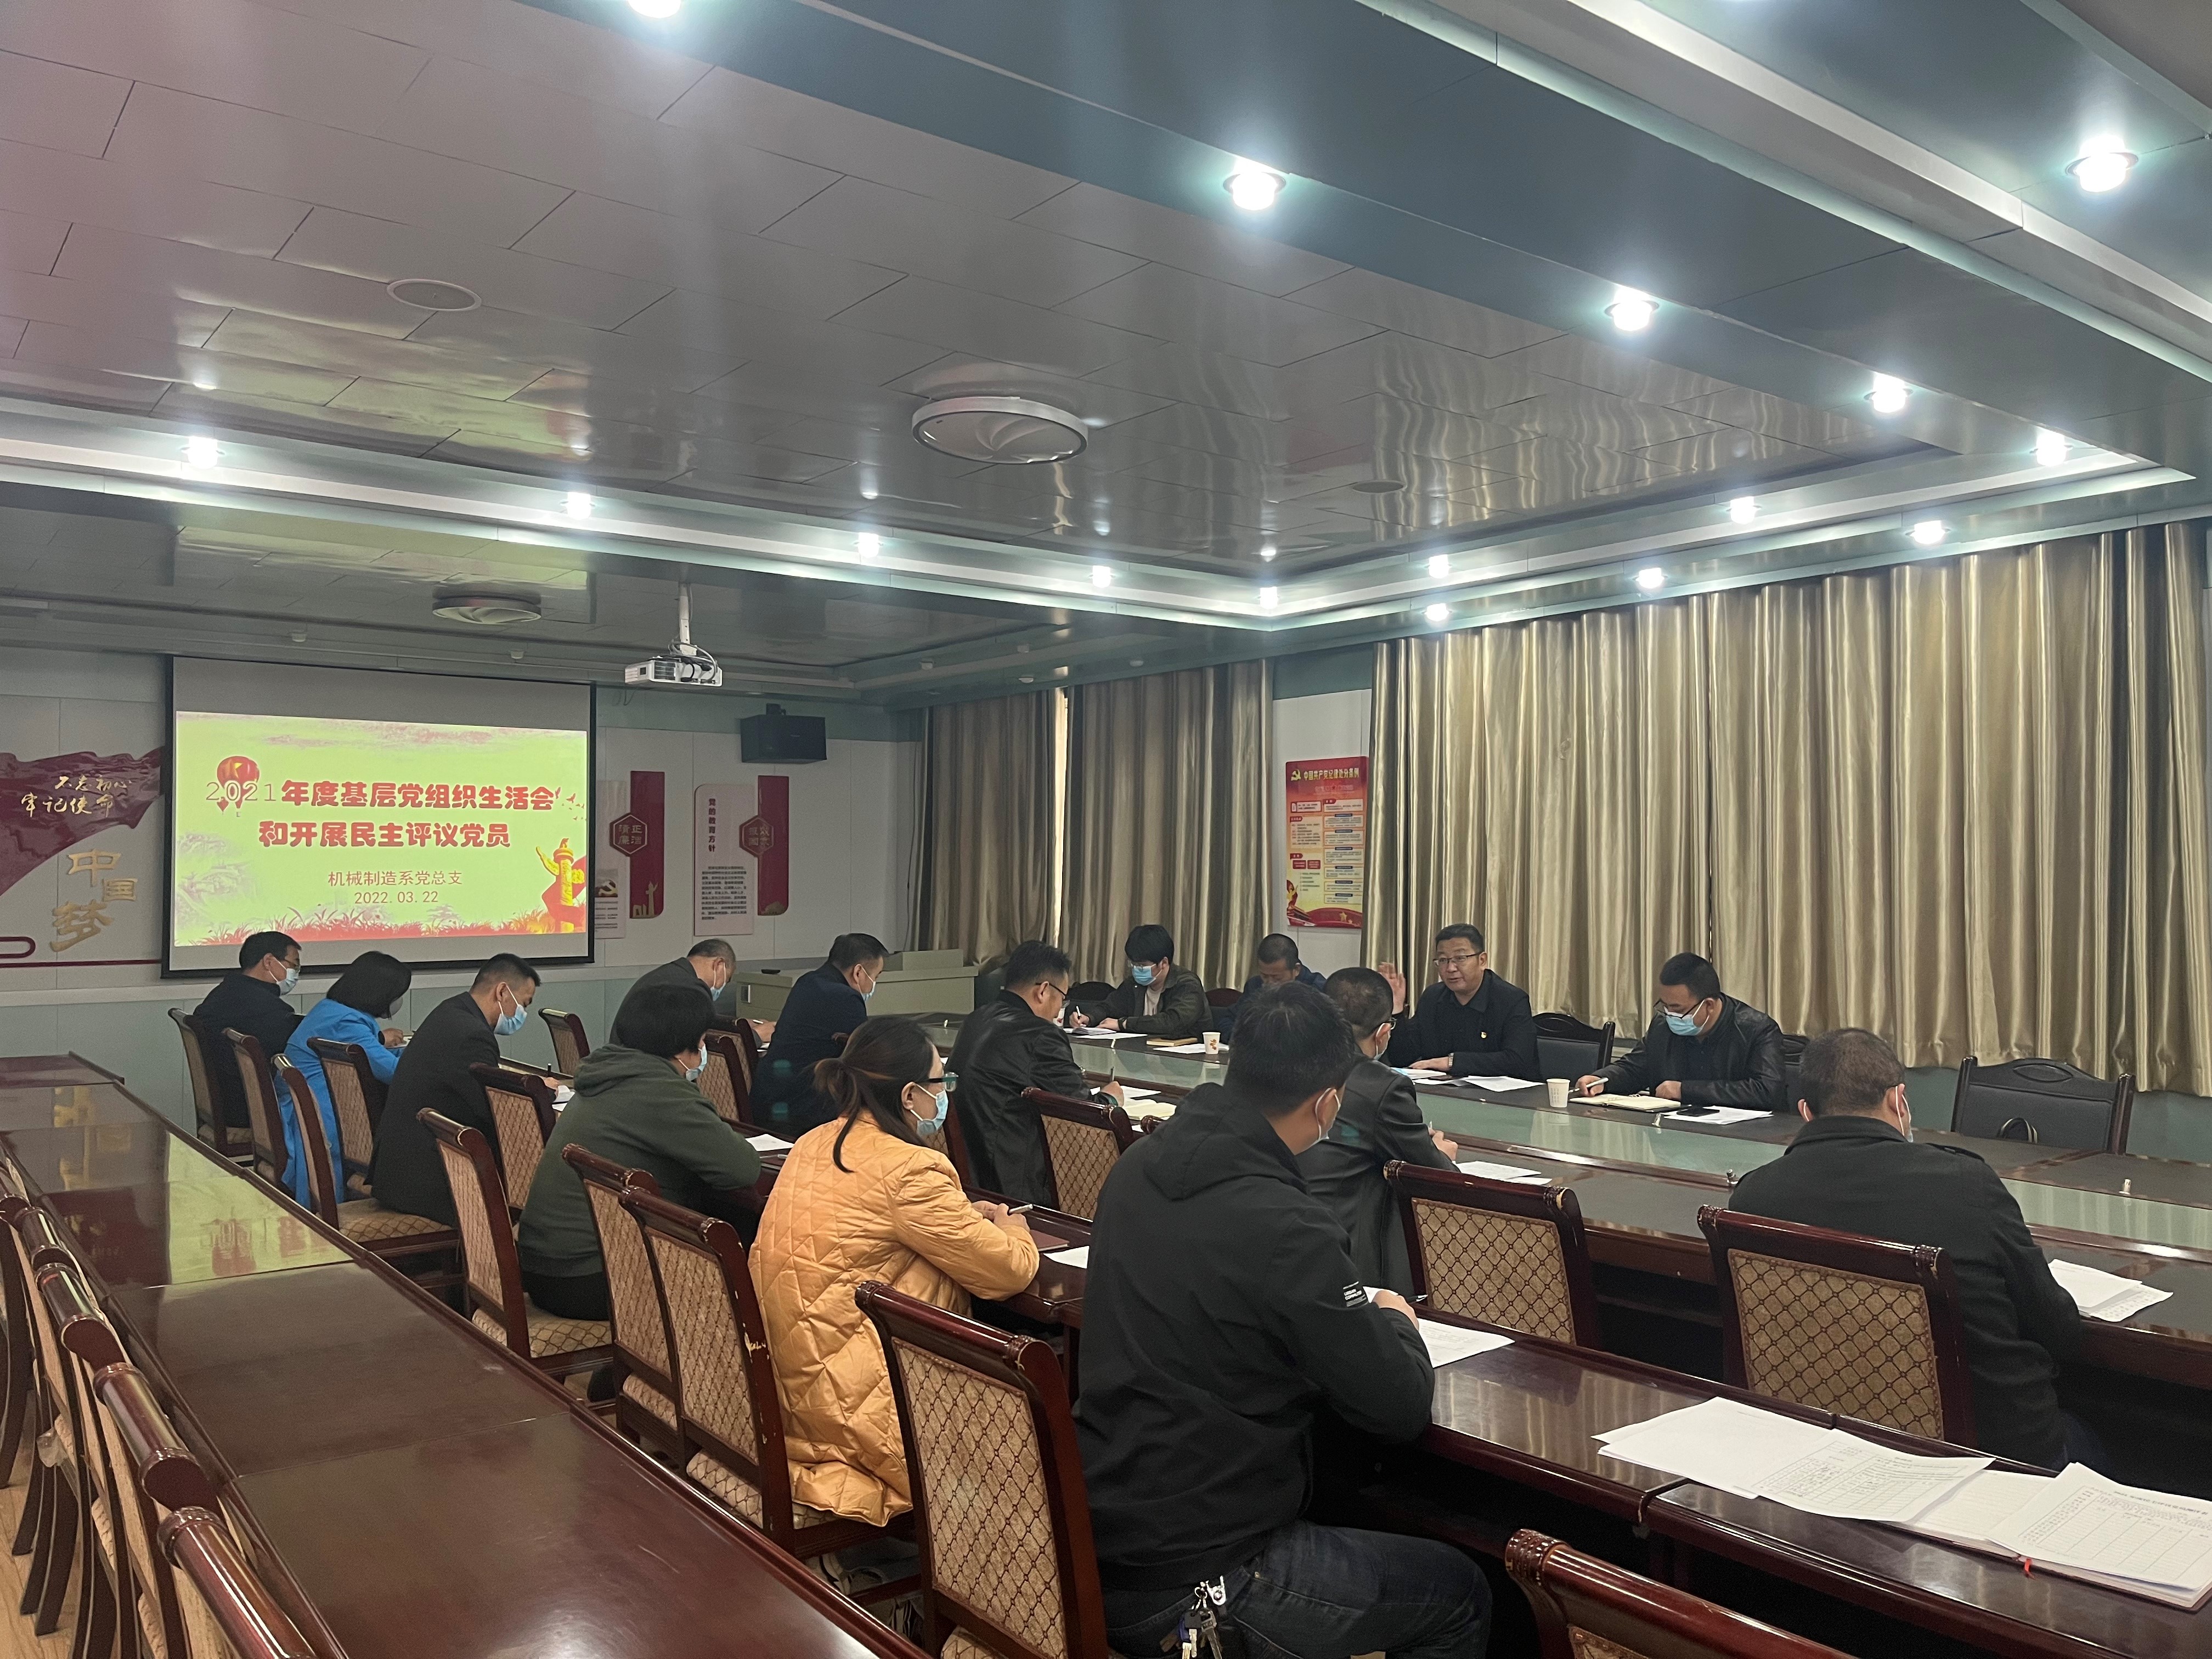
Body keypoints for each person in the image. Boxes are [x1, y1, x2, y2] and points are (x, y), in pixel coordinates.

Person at [1076, 984, 1491, 1659]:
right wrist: (1395, 1320)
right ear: (1327, 1103)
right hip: (1203, 1578)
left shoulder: (1138, 1164)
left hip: (1106, 1528)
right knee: (1460, 1593)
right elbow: (1397, 1406)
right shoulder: (1287, 1225)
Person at [1727, 1028, 2086, 1470]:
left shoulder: (1753, 1199)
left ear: (1805, 1112)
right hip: (1988, 1458)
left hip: (1821, 1447)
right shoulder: (1966, 1185)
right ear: (1899, 1101)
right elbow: (2059, 1332)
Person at [751, 1016, 1040, 1525]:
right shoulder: (910, 1169)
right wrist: (1013, 1228)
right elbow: (1009, 1272)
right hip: (854, 1411)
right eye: (940, 1084)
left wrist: (958, 1216)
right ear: (910, 1095)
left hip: (782, 1389)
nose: (944, 1095)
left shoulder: (813, 1142)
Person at [519, 981, 763, 1321]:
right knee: (748, 1249)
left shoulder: (607, 1071)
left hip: (547, 1267)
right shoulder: (659, 1090)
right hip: (592, 1279)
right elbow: (743, 1168)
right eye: (702, 1040)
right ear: (684, 1045)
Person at [1298, 967, 1459, 1294]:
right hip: (1343, 1255)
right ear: (1384, 1033)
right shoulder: (1383, 1087)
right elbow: (1435, 1175)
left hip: (1279, 1229)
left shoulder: (1287, 1060)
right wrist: (1443, 1155)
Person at [947, 940, 1124, 1204]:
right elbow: (1083, 1114)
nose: (1059, 1009)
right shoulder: (1041, 1035)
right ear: (1043, 991)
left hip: (968, 1177)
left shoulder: (977, 1019)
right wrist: (1110, 1099)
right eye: (1062, 998)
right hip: (1015, 1187)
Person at [369, 954, 539, 1226]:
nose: (522, 1014)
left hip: (399, 1170)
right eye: (524, 1004)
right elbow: (493, 1113)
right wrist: (539, 1093)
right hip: (428, 1182)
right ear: (502, 992)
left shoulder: (450, 1011)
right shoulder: (473, 1034)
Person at [282, 951, 411, 1209]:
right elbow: (391, 1072)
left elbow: (372, 1054)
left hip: (307, 1110)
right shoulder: (348, 1022)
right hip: (325, 1122)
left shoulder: (331, 1010)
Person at [1576, 952, 1783, 1110]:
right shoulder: (1662, 1026)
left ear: (1709, 1006)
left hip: (1740, 1138)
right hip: (1671, 1134)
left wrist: (1684, 1090)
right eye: (1665, 1006)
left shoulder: (1757, 1029)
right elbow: (1636, 1068)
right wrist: (1603, 1080)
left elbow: (1767, 1091)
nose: (1670, 1015)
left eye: (1678, 1009)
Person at [754, 933, 887, 1133]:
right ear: (859, 972)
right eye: (876, 977)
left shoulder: (807, 982)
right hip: (804, 1110)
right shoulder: (846, 998)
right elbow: (865, 1058)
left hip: (767, 1099)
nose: (874, 984)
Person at [1380, 924, 1539, 1081]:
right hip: (1442, 1092)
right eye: (1443, 960)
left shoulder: (1511, 1000)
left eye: (1460, 958)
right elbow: (1401, 1058)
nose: (1450, 968)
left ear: (1482, 961)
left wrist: (1451, 1062)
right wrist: (1397, 1009)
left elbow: (1517, 1060)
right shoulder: (1433, 997)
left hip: (1506, 1095)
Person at [192, 930, 302, 1131]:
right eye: (294, 965)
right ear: (269, 962)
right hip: (250, 1112)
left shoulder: (224, 993)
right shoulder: (269, 1010)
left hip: (226, 1106)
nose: (296, 973)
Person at [1081, 923, 1206, 1040]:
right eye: (1133, 964)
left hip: (1182, 1053)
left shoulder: (1187, 984)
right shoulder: (1134, 984)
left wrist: (1124, 1024)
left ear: (1164, 963)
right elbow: (1109, 1007)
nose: (1136, 969)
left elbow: (1172, 1022)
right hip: (1140, 1050)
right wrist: (1089, 1018)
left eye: (1142, 965)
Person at [612, 939, 737, 1046]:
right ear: (719, 965)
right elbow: (689, 1045)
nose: (723, 986)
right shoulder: (692, 991)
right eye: (727, 979)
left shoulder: (664, 975)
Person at [1218, 933, 1327, 1039]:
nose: (1270, 983)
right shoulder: (1255, 985)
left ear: (1296, 970)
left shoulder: (1318, 990)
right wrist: (1245, 1041)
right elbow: (1228, 1021)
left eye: (1277, 978)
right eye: (1264, 976)